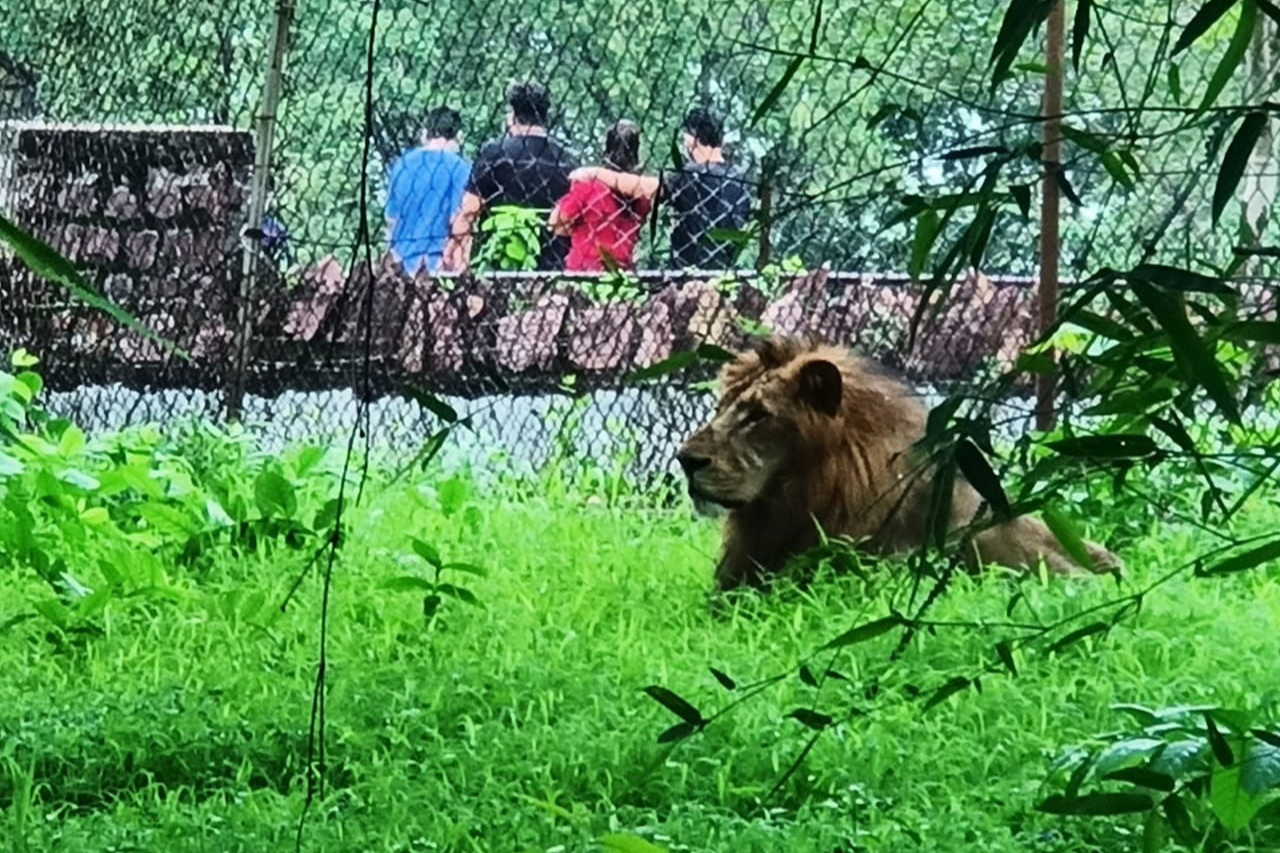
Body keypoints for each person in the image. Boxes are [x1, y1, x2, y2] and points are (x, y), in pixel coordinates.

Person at [568, 106, 751, 270]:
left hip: (686, 272)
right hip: (725, 268)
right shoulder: (740, 178)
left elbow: (643, 187)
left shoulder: (691, 174)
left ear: (692, 139)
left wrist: (594, 172)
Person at [442, 81, 579, 272]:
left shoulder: (495, 153)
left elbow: (469, 210)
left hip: (497, 263)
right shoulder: (567, 159)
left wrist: (451, 247)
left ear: (511, 117)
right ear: (546, 117)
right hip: (551, 265)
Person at [548, 120, 652, 272]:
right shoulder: (640, 195)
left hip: (583, 269)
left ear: (606, 148)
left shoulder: (587, 186)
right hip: (621, 272)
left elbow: (554, 224)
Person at [385, 106, 471, 275]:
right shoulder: (459, 167)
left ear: (425, 134)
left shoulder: (403, 164)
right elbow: (459, 218)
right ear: (459, 136)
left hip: (401, 261)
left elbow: (391, 217)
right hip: (436, 262)